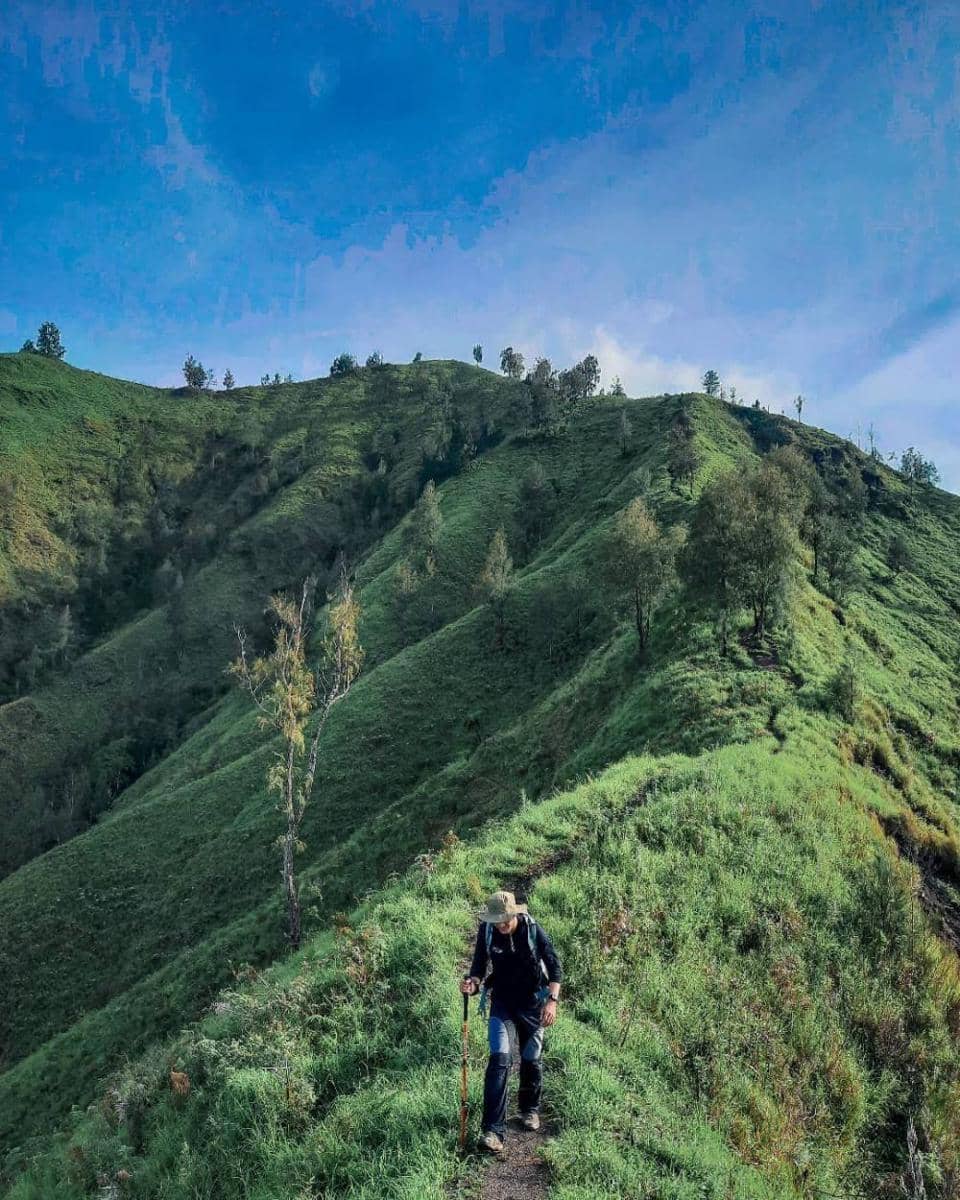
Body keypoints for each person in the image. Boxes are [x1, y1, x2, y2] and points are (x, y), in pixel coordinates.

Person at [460, 889, 562, 1154]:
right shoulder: (488, 931)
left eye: (506, 919)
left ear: (515, 913)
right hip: (502, 1003)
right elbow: (479, 966)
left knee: (531, 1058)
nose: (502, 925)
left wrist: (552, 1001)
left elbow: (554, 965)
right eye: (497, 920)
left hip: (532, 1002)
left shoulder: (531, 929)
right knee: (499, 1059)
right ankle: (492, 1132)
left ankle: (529, 1109)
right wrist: (472, 984)